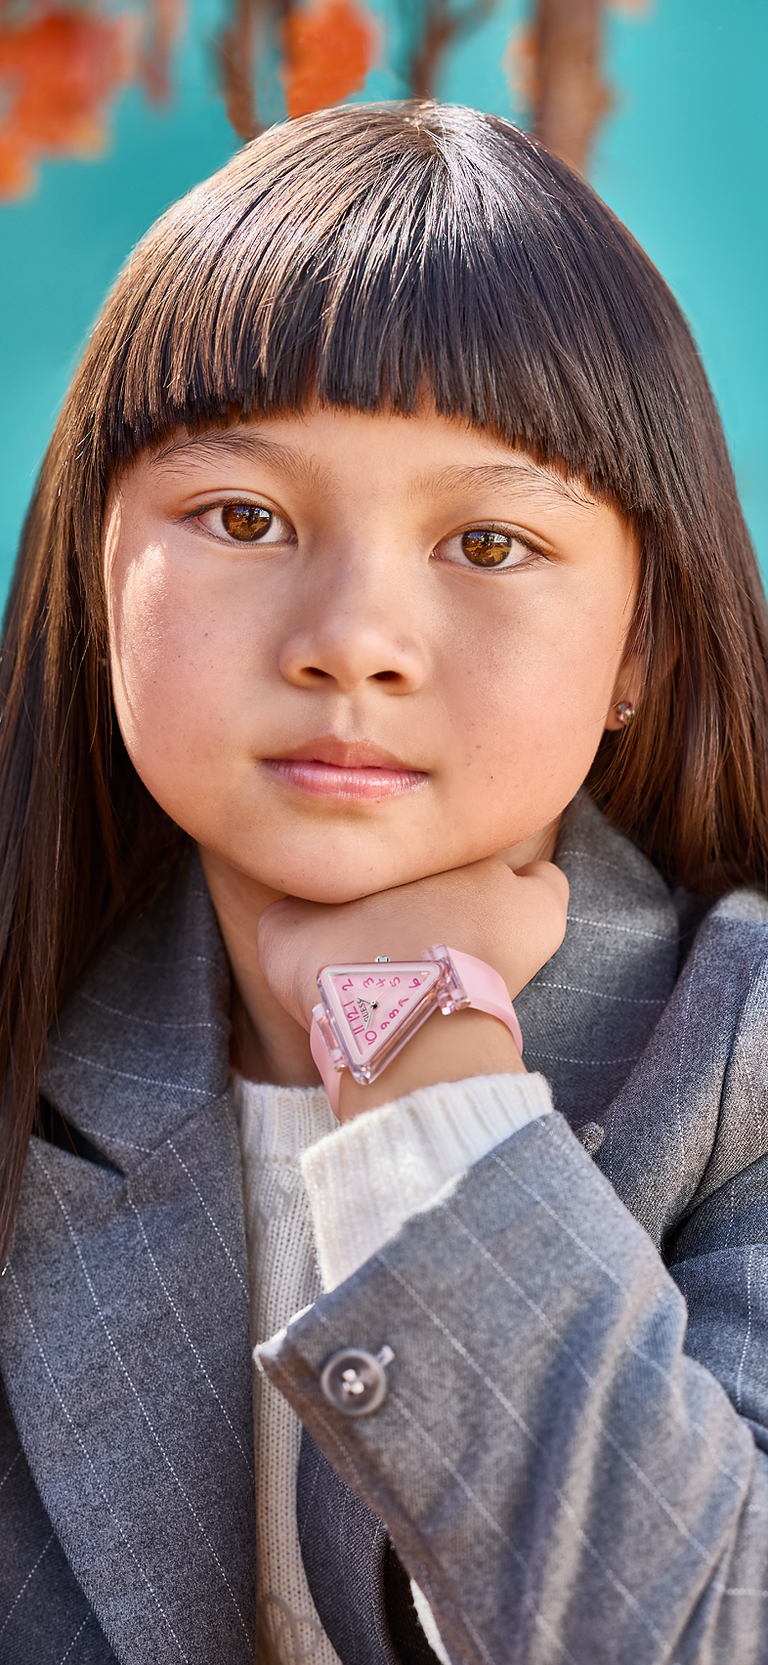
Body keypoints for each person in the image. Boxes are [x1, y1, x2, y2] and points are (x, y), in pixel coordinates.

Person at [1, 98, 767, 1665]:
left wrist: (427, 1066)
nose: (353, 637)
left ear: (640, 647)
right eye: (243, 517)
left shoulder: (743, 1069)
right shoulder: (34, 1047)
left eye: (487, 544)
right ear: (96, 568)